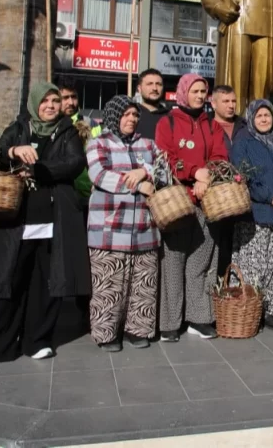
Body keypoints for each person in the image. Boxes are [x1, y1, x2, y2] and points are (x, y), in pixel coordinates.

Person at [0, 83, 90, 367]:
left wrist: (38, 170)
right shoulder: (20, 127)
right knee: (7, 281)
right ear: (34, 103)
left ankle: (37, 340)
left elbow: (75, 162)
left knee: (44, 283)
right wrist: (13, 151)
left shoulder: (66, 130)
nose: (50, 105)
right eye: (45, 100)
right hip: (15, 220)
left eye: (55, 101)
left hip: (51, 221)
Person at [154, 73, 228, 342]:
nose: (199, 96)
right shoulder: (168, 122)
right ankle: (170, 323)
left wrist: (206, 177)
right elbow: (165, 156)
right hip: (178, 203)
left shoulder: (213, 126)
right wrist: (193, 173)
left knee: (200, 262)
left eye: (203, 91)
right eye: (195, 91)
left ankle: (198, 318)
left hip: (206, 202)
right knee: (173, 262)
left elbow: (220, 156)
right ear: (183, 92)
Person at [85, 95, 161, 352]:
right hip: (109, 228)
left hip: (144, 228)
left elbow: (165, 169)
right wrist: (138, 185)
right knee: (109, 283)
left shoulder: (148, 144)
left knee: (143, 283)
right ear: (114, 116)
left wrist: (146, 171)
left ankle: (137, 330)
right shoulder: (99, 144)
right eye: (126, 114)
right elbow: (99, 175)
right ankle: (106, 333)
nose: (132, 119)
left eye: (135, 115)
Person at [229, 99, 273, 330]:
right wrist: (269, 196)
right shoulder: (243, 144)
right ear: (251, 119)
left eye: (267, 115)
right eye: (259, 116)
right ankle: (250, 309)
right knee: (253, 266)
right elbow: (243, 177)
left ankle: (272, 311)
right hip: (256, 216)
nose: (264, 119)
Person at [210, 84, 244, 277]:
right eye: (226, 101)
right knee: (217, 254)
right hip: (216, 200)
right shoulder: (206, 126)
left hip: (241, 199)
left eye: (233, 101)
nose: (231, 105)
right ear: (213, 103)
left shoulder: (245, 126)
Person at [135, 69, 171, 140]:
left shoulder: (171, 117)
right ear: (139, 88)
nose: (154, 88)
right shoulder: (133, 114)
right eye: (149, 84)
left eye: (158, 84)